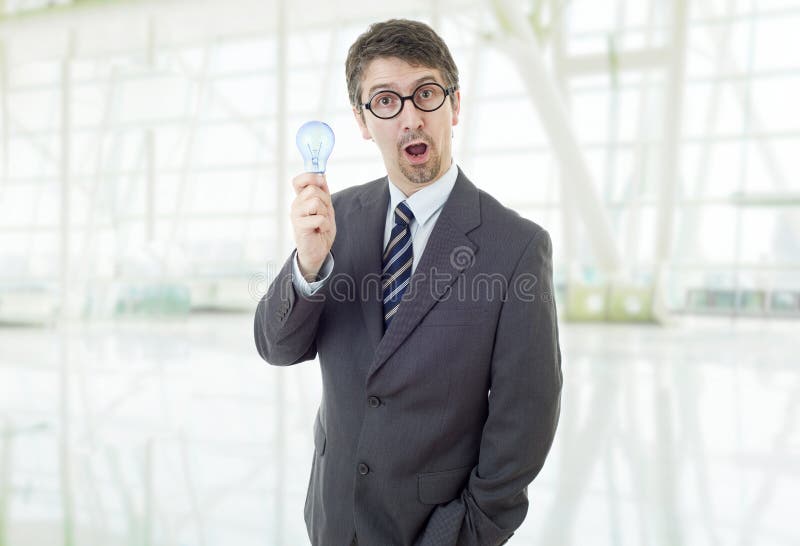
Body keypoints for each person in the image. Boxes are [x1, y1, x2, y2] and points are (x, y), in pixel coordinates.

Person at [254, 18, 562, 546]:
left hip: (436, 531)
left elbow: (524, 424)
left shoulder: (515, 248)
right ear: (362, 120)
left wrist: (460, 534)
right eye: (385, 101)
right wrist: (308, 266)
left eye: (425, 94)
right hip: (334, 521)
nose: (411, 119)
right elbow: (277, 349)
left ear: (454, 105)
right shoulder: (335, 219)